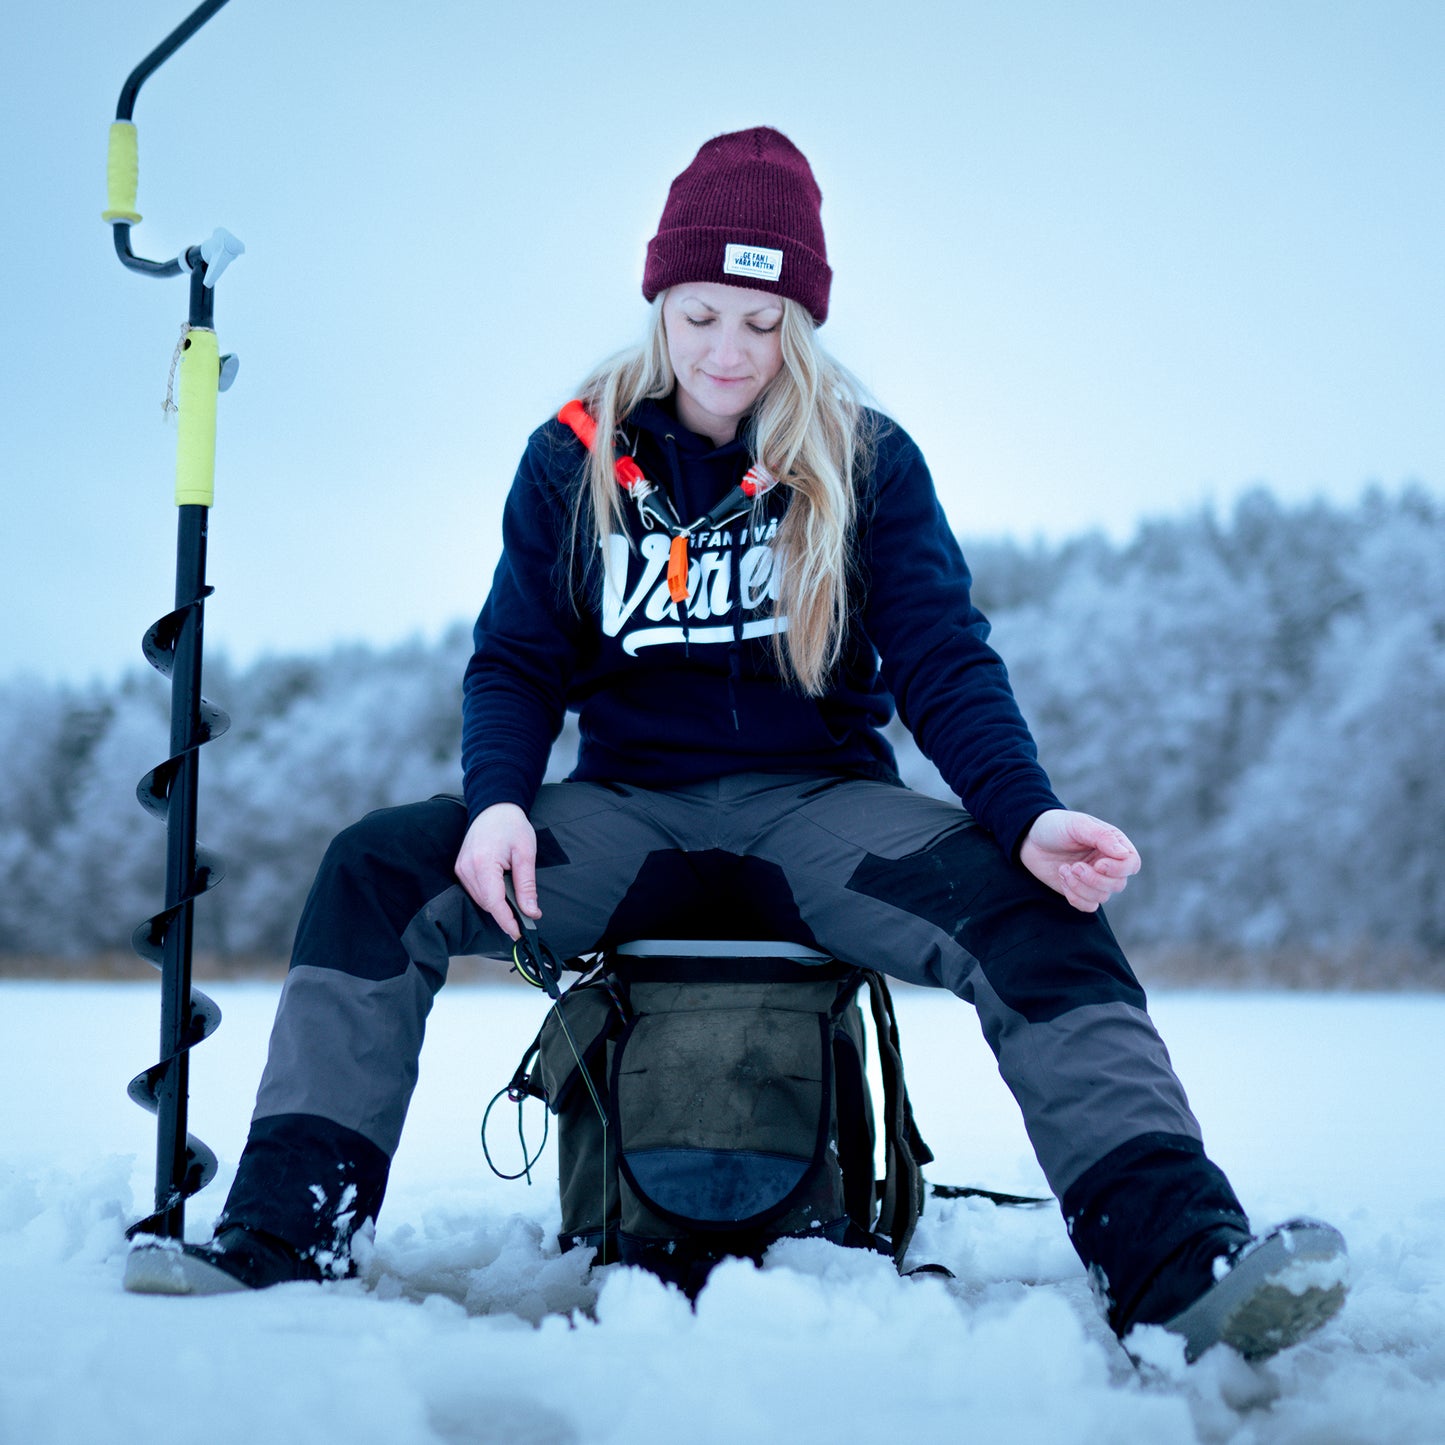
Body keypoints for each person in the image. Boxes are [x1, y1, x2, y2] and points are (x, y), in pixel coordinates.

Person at [124, 126, 1347, 1364]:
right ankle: (285, 1244)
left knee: (1035, 904)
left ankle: (1176, 1270)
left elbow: (941, 656)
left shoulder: (865, 461)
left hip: (818, 815)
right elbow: (515, 658)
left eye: (761, 323)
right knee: (378, 866)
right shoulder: (571, 455)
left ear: (800, 326)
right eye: (701, 313)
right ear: (659, 301)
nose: (726, 351)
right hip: (621, 816)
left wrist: (1025, 812)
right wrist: (497, 800)